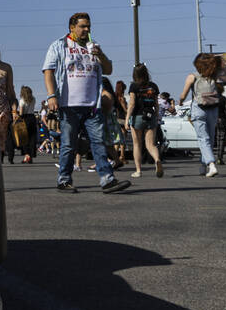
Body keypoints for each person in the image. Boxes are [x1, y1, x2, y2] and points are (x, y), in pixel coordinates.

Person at [42, 12, 130, 193]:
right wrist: (51, 96)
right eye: (82, 26)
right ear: (72, 28)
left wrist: (100, 54)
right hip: (69, 105)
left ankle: (107, 179)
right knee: (68, 144)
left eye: (88, 26)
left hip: (92, 105)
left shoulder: (93, 46)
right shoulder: (60, 45)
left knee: (98, 142)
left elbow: (108, 69)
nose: (86, 29)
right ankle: (64, 180)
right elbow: (48, 71)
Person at [179, 53, 223, 177]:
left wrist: (181, 101)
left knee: (203, 139)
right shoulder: (214, 77)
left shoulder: (192, 76)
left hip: (199, 109)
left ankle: (211, 164)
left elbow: (183, 94)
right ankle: (203, 166)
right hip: (213, 109)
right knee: (210, 138)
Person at [124, 62, 164, 178]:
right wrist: (157, 116)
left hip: (137, 116)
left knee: (137, 145)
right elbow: (156, 104)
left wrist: (127, 119)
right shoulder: (153, 86)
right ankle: (157, 160)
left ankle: (138, 170)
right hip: (150, 116)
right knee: (151, 144)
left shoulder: (134, 86)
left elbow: (131, 104)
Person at [15, 85, 37, 164]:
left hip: (25, 119)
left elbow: (21, 113)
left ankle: (27, 154)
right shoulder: (33, 99)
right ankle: (30, 156)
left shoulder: (22, 100)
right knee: (32, 138)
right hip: (32, 118)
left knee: (24, 138)